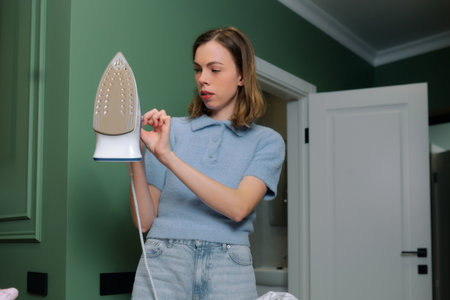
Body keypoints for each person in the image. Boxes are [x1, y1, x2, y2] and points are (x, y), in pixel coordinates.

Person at [129, 26, 285, 300]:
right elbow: (144, 222)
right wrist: (136, 153)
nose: (202, 79)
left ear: (241, 75)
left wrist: (168, 157)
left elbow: (238, 208)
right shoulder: (170, 130)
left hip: (229, 267)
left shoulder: (267, 141)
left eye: (214, 69)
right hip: (163, 260)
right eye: (198, 69)